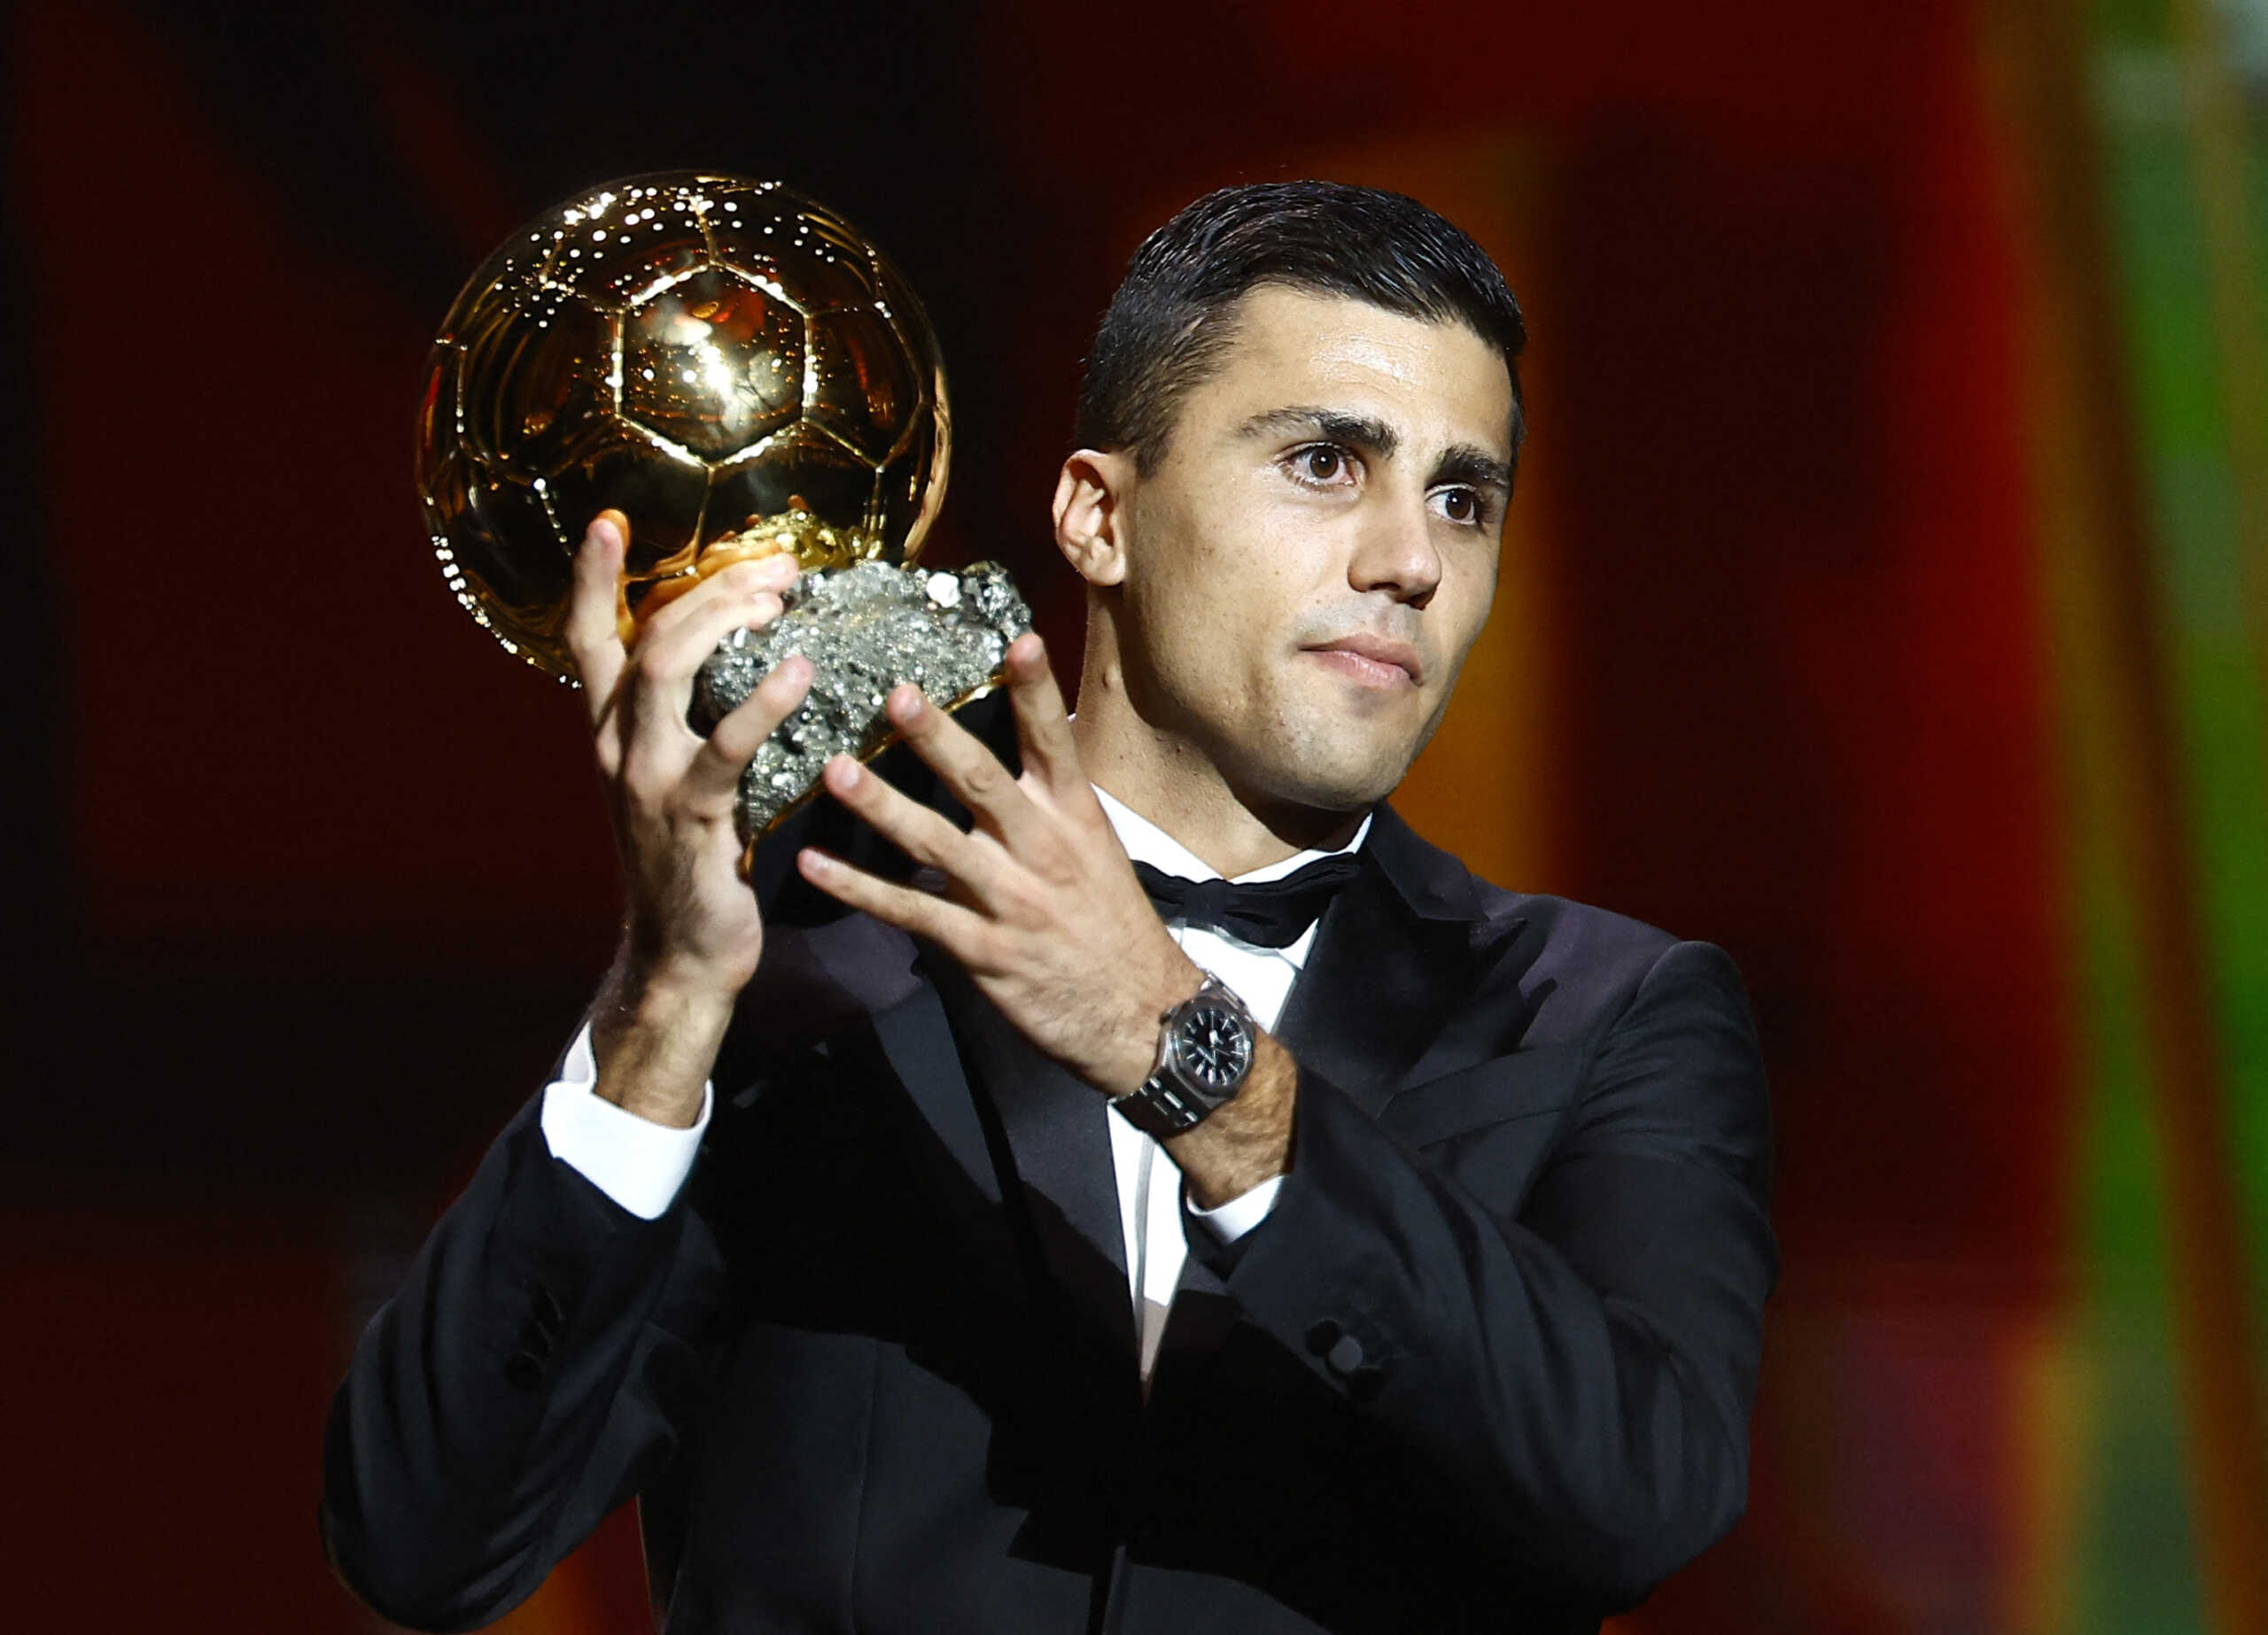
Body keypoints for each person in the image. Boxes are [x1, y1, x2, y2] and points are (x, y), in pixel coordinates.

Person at [321, 181, 1776, 1635]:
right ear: (1098, 515)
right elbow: (423, 1537)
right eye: (1328, 463)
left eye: (1465, 496)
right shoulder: (810, 962)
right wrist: (663, 999)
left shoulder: (1605, 1017)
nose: (1411, 558)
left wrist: (1186, 1050)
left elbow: (1642, 1490)